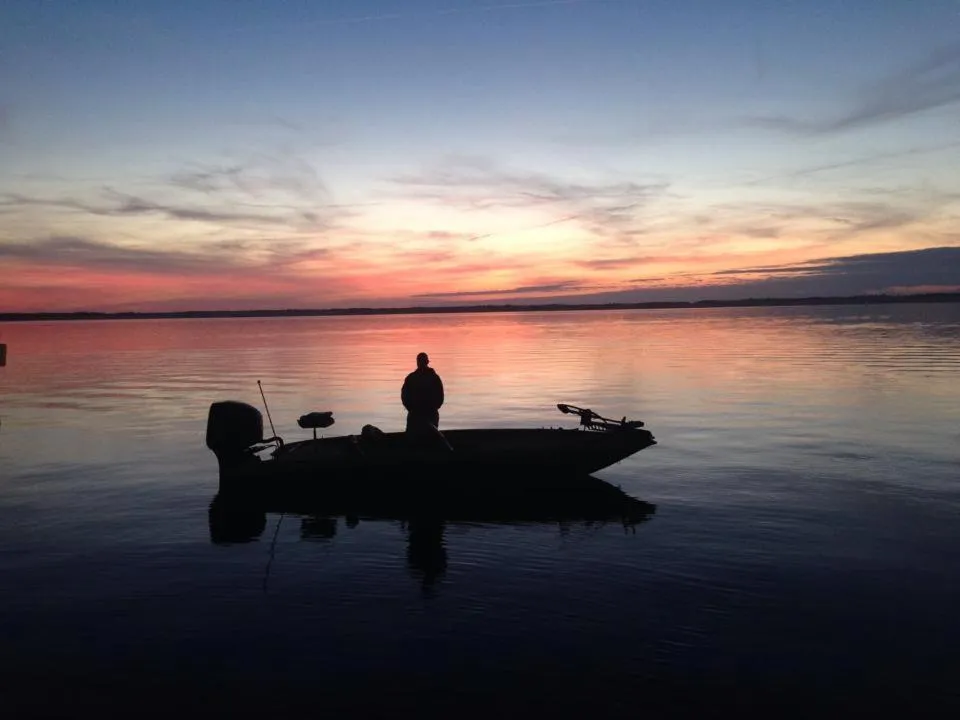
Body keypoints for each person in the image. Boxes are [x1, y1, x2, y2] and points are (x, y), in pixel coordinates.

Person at [401, 352, 444, 434]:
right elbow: (440, 398)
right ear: (427, 362)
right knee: (430, 438)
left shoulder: (410, 378)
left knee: (414, 439)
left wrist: (412, 409)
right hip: (427, 415)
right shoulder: (435, 378)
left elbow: (404, 397)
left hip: (417, 416)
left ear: (417, 362)